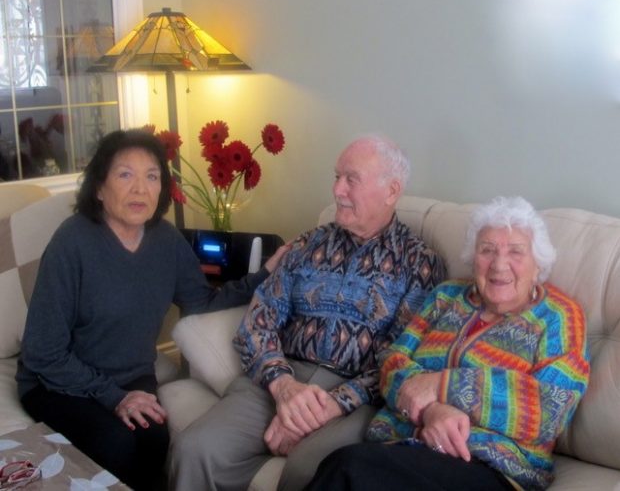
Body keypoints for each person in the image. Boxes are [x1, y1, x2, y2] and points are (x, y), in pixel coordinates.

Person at [16, 129, 289, 491]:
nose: (140, 188)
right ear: (99, 187)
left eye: (152, 176)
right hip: (58, 382)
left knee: (154, 441)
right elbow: (43, 352)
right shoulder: (72, 242)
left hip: (131, 374)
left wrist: (263, 275)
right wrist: (115, 398)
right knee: (114, 445)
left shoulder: (166, 240)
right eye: (125, 174)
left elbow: (201, 302)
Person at [170, 134, 446, 491]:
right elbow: (257, 322)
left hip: (356, 395)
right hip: (281, 377)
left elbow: (402, 357)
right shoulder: (308, 244)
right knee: (195, 448)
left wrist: (331, 404)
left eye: (351, 179)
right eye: (336, 177)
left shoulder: (420, 263)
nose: (337, 191)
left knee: (311, 470)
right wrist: (284, 387)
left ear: (391, 191)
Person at [306, 195, 591, 491]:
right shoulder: (446, 297)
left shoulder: (559, 316)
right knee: (344, 467)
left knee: (348, 470)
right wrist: (432, 411)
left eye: (516, 252)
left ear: (538, 264)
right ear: (472, 257)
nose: (499, 264)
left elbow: (550, 408)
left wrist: (443, 386)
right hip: (409, 445)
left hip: (491, 467)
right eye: (487, 250)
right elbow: (392, 364)